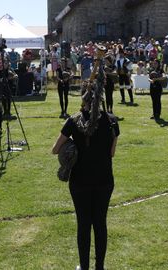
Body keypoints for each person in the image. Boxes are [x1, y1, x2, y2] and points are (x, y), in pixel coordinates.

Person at [52, 85, 120, 270]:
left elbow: (55, 149)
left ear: (84, 101)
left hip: (80, 181)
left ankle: (84, 267)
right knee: (100, 223)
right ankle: (100, 267)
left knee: (83, 224)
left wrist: (73, 145)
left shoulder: (73, 121)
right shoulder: (112, 121)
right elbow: (112, 153)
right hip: (104, 179)